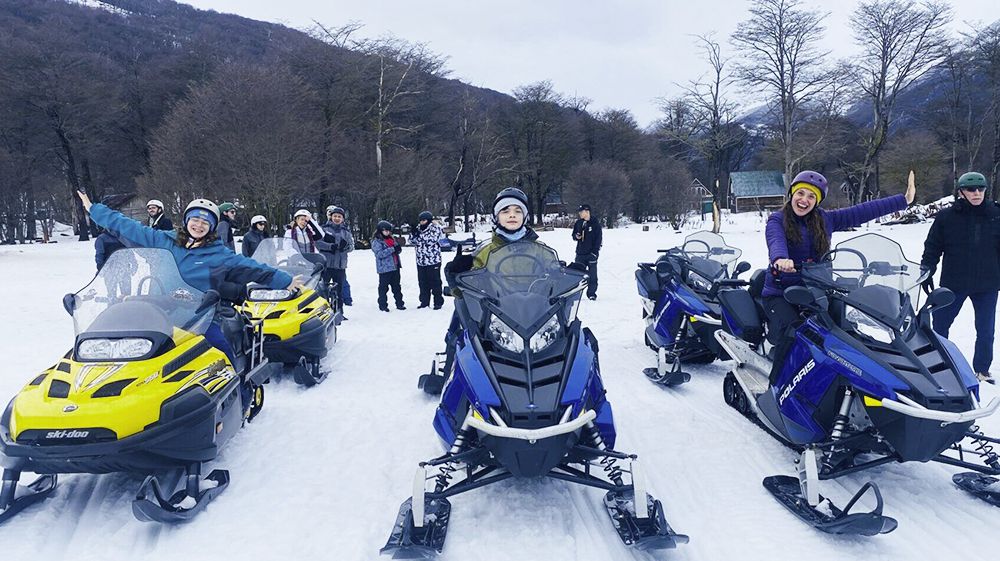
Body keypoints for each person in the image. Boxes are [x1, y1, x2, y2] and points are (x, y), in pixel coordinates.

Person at [76, 191, 303, 362]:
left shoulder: (219, 254)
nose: (199, 225)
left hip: (198, 319)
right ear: (186, 220)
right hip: (156, 313)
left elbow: (253, 268)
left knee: (221, 353)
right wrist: (94, 209)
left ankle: (240, 396)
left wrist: (285, 280)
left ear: (212, 227)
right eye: (195, 219)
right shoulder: (163, 240)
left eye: (205, 222)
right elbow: (127, 226)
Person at [764, 170, 915, 378]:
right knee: (795, 331)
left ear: (817, 202)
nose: (804, 200)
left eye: (811, 196)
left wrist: (903, 200)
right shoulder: (777, 220)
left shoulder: (825, 220)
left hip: (816, 289)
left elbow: (862, 211)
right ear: (792, 194)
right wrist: (780, 259)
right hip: (781, 292)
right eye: (800, 194)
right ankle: (776, 384)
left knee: (844, 327)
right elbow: (775, 241)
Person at [921, 171, 1000, 384]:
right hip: (954, 282)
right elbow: (933, 245)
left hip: (988, 283)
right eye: (971, 189)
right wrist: (927, 269)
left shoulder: (996, 214)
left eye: (980, 189)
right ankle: (937, 365)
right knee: (939, 325)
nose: (976, 193)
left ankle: (982, 371)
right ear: (961, 192)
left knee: (986, 330)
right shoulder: (947, 217)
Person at [320, 206, 355, 311]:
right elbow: (317, 243)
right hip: (326, 265)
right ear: (331, 217)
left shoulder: (346, 231)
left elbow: (351, 246)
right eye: (335, 216)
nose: (337, 218)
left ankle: (339, 311)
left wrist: (346, 247)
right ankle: (323, 311)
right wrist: (330, 247)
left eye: (339, 216)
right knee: (323, 289)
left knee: (339, 290)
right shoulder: (324, 229)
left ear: (342, 219)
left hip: (340, 266)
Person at [410, 211, 445, 309]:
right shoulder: (418, 228)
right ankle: (424, 302)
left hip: (433, 260)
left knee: (435, 282)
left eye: (424, 220)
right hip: (421, 261)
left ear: (429, 220)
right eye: (420, 220)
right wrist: (413, 233)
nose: (421, 222)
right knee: (422, 283)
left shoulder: (435, 228)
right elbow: (411, 241)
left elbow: (431, 240)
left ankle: (438, 302)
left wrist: (418, 236)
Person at [372, 220, 405, 312]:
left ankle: (400, 303)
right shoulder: (377, 242)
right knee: (383, 288)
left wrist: (398, 249)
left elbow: (396, 249)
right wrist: (392, 249)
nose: (387, 232)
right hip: (384, 269)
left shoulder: (391, 239)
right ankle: (383, 305)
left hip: (395, 266)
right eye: (385, 230)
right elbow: (379, 254)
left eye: (388, 231)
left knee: (397, 287)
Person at [572, 204, 602, 300]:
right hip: (580, 253)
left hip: (591, 254)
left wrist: (594, 253)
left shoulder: (595, 223)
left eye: (581, 212)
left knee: (592, 275)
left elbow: (599, 239)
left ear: (587, 211)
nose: (580, 213)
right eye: (579, 212)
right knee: (577, 274)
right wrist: (576, 236)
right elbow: (573, 234)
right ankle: (575, 293)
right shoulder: (579, 223)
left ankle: (591, 293)